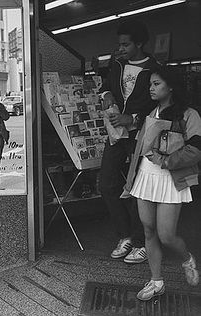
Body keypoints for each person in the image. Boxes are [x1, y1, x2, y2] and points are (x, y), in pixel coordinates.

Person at [123, 66, 201, 300]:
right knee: (148, 230)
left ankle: (187, 259)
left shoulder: (190, 115)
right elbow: (138, 148)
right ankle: (157, 282)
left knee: (166, 234)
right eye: (150, 85)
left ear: (171, 86)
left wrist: (165, 160)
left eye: (156, 84)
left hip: (171, 179)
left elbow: (196, 150)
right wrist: (130, 180)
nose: (151, 88)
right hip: (145, 176)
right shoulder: (150, 112)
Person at [98, 19, 159, 264]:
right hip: (115, 135)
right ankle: (125, 236)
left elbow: (159, 103)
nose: (120, 48)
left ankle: (141, 241)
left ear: (140, 43)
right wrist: (107, 94)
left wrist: (131, 118)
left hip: (140, 135)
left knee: (139, 189)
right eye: (119, 44)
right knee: (107, 184)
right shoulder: (117, 65)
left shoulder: (154, 69)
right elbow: (105, 87)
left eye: (125, 44)